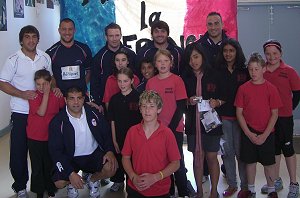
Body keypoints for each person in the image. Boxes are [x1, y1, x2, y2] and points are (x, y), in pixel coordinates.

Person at [0, 25, 53, 198]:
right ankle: (20, 186)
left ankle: (45, 183)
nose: (31, 40)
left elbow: (50, 80)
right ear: (21, 40)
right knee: (19, 150)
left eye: (34, 37)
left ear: (38, 39)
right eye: (27, 37)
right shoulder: (13, 59)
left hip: (42, 113)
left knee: (43, 150)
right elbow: (3, 83)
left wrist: (56, 89)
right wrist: (21, 94)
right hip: (22, 112)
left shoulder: (45, 57)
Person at [48, 86, 118, 198]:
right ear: (65, 100)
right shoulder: (57, 122)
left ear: (83, 99)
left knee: (112, 167)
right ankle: (71, 184)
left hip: (93, 155)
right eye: (71, 98)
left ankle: (92, 179)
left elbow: (106, 133)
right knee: (59, 182)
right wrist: (70, 174)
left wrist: (109, 151)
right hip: (71, 158)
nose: (76, 102)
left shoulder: (93, 113)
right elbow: (55, 152)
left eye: (79, 98)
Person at [235, 53, 282, 198]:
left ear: (263, 69)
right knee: (250, 163)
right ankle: (251, 190)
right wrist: (249, 134)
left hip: (267, 133)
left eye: (256, 69)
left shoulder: (271, 89)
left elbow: (275, 114)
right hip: (249, 131)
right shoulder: (243, 89)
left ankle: (272, 189)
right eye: (251, 69)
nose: (253, 72)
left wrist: (264, 135)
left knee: (269, 164)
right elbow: (239, 113)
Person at [181, 43, 225, 198]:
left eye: (196, 56)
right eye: (190, 58)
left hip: (211, 124)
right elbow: (180, 101)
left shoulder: (215, 74)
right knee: (197, 157)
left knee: (212, 157)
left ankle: (214, 191)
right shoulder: (186, 78)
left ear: (203, 56)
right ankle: (199, 190)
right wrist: (188, 100)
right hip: (193, 124)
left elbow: (225, 97)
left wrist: (217, 102)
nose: (193, 61)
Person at [146, 49, 189, 197]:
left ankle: (183, 191)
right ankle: (168, 191)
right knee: (162, 162)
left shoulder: (177, 80)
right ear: (155, 64)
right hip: (156, 129)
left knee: (177, 161)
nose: (162, 64)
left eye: (165, 61)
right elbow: (148, 106)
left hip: (174, 128)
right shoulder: (151, 82)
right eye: (159, 61)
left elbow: (181, 106)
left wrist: (170, 127)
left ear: (171, 63)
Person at [122, 90, 180, 197]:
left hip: (160, 190)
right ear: (140, 109)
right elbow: (125, 158)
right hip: (135, 188)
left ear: (159, 109)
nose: (147, 110)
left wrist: (155, 177)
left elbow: (176, 163)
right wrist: (133, 176)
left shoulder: (167, 134)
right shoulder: (132, 131)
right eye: (144, 106)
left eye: (152, 106)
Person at [260, 39, 300, 198]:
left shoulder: (289, 71)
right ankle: (276, 180)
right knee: (274, 149)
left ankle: (294, 183)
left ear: (281, 54)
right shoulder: (262, 70)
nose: (271, 57)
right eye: (268, 54)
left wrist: (289, 108)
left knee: (288, 149)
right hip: (269, 119)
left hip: (284, 118)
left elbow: (297, 93)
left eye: (275, 53)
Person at [215, 38, 249, 197]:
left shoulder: (245, 71)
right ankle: (232, 184)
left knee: (242, 153)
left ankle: (245, 186)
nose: (228, 54)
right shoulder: (217, 71)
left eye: (231, 51)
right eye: (225, 51)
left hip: (241, 119)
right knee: (227, 153)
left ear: (237, 52)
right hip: (223, 118)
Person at [26, 69, 65, 198]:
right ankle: (38, 191)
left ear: (50, 82)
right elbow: (41, 112)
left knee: (49, 165)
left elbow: (63, 112)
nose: (42, 87)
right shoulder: (34, 96)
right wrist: (47, 94)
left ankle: (50, 187)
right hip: (35, 137)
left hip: (51, 137)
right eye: (38, 84)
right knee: (37, 167)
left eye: (45, 84)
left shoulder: (56, 95)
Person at [108, 67, 142, 192]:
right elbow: (112, 121)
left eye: (125, 81)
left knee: (132, 162)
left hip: (134, 139)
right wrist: (114, 140)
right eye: (120, 81)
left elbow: (142, 121)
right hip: (119, 137)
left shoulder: (138, 97)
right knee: (119, 159)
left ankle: (131, 182)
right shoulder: (114, 99)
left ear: (132, 80)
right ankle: (118, 181)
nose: (122, 84)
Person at [90, 23, 136, 107]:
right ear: (106, 37)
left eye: (117, 35)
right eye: (111, 36)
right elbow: (94, 82)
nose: (114, 39)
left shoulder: (131, 54)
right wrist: (97, 103)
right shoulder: (99, 57)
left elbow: (136, 78)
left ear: (121, 35)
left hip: (130, 102)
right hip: (107, 103)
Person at [46, 18, 92, 95]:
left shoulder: (84, 49)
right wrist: (54, 88)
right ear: (59, 30)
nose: (67, 32)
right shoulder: (51, 52)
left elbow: (89, 71)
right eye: (64, 29)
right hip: (60, 97)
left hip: (80, 97)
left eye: (70, 29)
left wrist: (82, 86)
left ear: (74, 30)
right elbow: (49, 75)